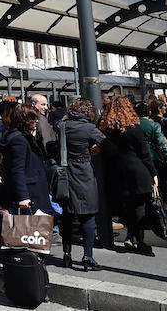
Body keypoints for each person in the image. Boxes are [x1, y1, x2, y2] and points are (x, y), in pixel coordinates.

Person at [100, 97, 158, 256]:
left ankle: (131, 236)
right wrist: (153, 173)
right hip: (137, 172)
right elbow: (144, 154)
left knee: (126, 207)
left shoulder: (106, 130)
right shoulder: (134, 128)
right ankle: (138, 241)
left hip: (116, 173)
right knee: (139, 207)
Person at [57, 98, 106, 271]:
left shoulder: (61, 126)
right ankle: (88, 256)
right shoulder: (90, 129)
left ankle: (67, 254)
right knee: (88, 216)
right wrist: (94, 149)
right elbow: (105, 144)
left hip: (65, 173)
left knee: (67, 216)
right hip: (84, 172)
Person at [0, 104, 54, 215]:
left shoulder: (18, 136)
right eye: (33, 118)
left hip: (31, 188)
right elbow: (17, 170)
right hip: (30, 192)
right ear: (24, 120)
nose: (36, 121)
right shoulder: (19, 140)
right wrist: (23, 196)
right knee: (33, 229)